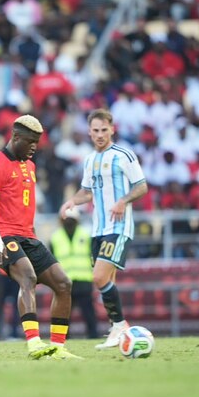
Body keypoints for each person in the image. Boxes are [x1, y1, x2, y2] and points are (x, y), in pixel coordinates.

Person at [0, 115, 81, 360]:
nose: (35, 147)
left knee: (64, 284)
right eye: (30, 141)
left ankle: (57, 347)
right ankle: (34, 342)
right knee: (28, 277)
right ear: (16, 137)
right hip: (3, 235)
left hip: (28, 235)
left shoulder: (30, 165)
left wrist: (33, 237)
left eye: (37, 142)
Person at [59, 108, 148, 350]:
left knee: (98, 277)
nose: (100, 135)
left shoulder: (123, 155)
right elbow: (87, 192)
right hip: (97, 229)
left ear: (112, 129)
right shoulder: (89, 160)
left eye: (104, 130)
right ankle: (116, 331)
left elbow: (141, 186)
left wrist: (123, 201)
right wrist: (71, 201)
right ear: (89, 132)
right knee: (107, 280)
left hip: (118, 226)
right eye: (96, 130)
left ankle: (120, 325)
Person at [49, 207, 99, 339]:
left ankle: (93, 336)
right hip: (64, 282)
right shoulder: (55, 238)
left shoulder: (86, 235)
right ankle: (63, 338)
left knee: (89, 313)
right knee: (64, 314)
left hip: (83, 281)